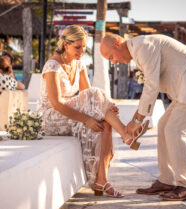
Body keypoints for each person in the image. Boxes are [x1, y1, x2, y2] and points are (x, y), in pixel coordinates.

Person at [100, 33, 186, 201]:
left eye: (111, 56)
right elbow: (150, 88)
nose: (113, 62)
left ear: (118, 44)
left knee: (175, 130)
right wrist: (136, 120)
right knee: (164, 125)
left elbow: (151, 86)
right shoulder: (139, 49)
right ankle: (166, 180)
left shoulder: (143, 46)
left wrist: (136, 121)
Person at [37, 25, 149, 198]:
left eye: (84, 47)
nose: (82, 51)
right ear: (65, 45)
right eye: (77, 47)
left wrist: (105, 108)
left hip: (68, 114)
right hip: (51, 118)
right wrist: (88, 118)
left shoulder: (79, 64)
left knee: (104, 124)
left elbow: (87, 96)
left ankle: (102, 181)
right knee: (97, 98)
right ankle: (126, 134)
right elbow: (57, 104)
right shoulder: (52, 66)